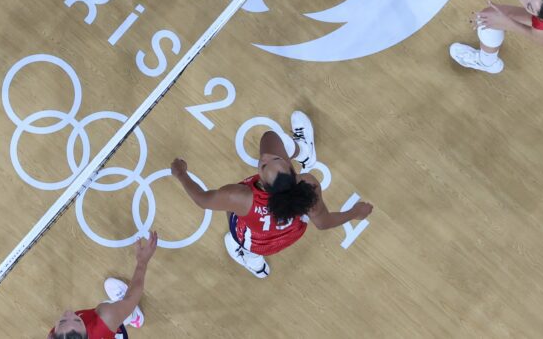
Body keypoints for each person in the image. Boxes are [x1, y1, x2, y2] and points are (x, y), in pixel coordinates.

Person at [170, 111, 372, 279]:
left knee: (234, 222)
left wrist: (181, 174)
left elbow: (203, 200)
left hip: (255, 242)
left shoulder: (240, 198)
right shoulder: (307, 185)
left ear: (264, 185)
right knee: (271, 139)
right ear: (292, 171)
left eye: (264, 165)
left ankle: (253, 261)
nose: (265, 157)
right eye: (275, 158)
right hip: (292, 233)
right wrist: (354, 212)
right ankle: (304, 152)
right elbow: (322, 222)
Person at [49, 233, 157, 339]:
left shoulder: (57, 335)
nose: (69, 313)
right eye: (77, 320)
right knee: (115, 308)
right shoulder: (106, 318)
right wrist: (142, 262)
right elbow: (132, 298)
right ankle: (133, 316)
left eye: (63, 321)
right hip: (111, 328)